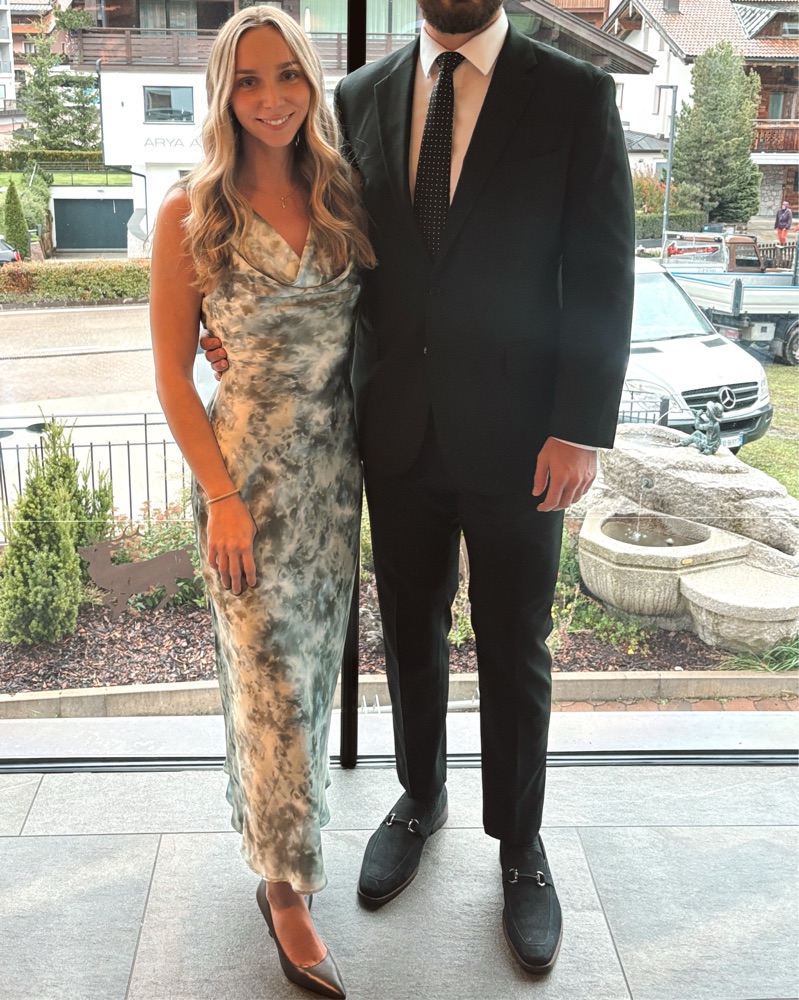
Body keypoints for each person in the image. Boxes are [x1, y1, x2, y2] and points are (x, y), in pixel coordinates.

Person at [203, 0, 634, 976]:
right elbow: (324, 243)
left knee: (513, 639)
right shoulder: (358, 97)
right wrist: (229, 327)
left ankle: (519, 846)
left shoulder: (573, 95)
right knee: (407, 627)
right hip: (392, 427)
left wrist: (579, 426)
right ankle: (419, 795)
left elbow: (602, 266)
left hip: (526, 439)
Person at [150, 7, 374, 998]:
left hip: (332, 487)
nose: (272, 98)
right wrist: (222, 498)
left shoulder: (341, 192)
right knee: (269, 688)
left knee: (306, 684)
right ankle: (286, 888)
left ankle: (280, 840)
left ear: (311, 82)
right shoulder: (190, 213)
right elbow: (172, 376)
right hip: (244, 489)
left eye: (288, 75)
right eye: (248, 80)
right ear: (222, 94)